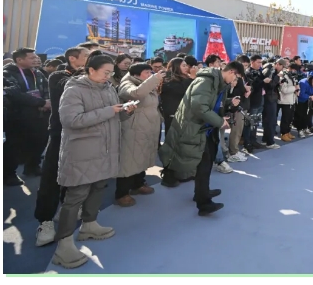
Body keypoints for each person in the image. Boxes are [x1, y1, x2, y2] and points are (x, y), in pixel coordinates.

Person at [52, 54, 137, 269]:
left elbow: (113, 116)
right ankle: (64, 244)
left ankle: (89, 225)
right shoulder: (74, 90)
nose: (109, 76)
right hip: (82, 152)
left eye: (111, 73)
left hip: (105, 150)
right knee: (76, 196)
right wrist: (109, 111)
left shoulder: (108, 88)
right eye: (105, 72)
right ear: (91, 70)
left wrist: (124, 111)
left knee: (98, 187)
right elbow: (71, 120)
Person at [158, 61, 244, 216]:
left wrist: (229, 102)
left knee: (206, 163)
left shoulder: (218, 83)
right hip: (195, 129)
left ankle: (202, 192)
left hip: (206, 129)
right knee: (203, 164)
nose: (235, 81)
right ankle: (203, 204)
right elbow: (199, 106)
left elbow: (212, 103)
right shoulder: (206, 81)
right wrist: (220, 122)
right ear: (231, 72)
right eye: (236, 77)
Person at [34, 47, 91, 248]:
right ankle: (45, 221)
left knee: (75, 174)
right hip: (60, 134)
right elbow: (71, 89)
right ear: (72, 58)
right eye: (87, 56)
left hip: (83, 133)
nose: (90, 60)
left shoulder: (92, 78)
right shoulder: (58, 76)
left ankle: (67, 209)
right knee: (51, 177)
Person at [115, 63, 165, 207]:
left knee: (142, 156)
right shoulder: (127, 83)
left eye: (150, 72)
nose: (150, 75)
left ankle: (138, 184)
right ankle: (122, 193)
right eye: (146, 72)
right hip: (133, 128)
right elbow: (135, 94)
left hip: (147, 127)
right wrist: (154, 79)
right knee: (129, 160)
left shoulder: (146, 83)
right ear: (136, 74)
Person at [3, 48, 51, 183]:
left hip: (39, 115)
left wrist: (47, 102)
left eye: (36, 57)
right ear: (19, 60)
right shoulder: (7, 74)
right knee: (15, 145)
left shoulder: (38, 73)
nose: (36, 59)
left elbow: (46, 90)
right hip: (18, 116)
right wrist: (40, 102)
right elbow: (15, 94)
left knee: (40, 141)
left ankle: (32, 166)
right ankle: (8, 174)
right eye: (32, 58)